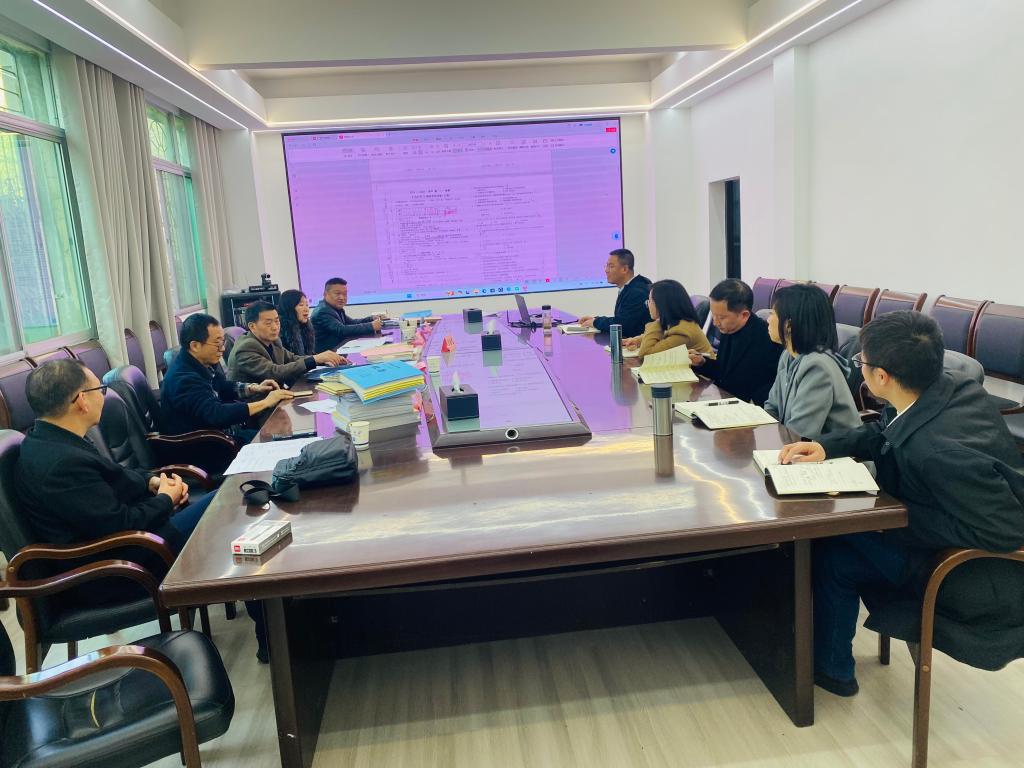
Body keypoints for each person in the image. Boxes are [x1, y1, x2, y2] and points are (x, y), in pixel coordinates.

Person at [779, 311, 1024, 697]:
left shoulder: (940, 452)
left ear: (881, 377)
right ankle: (831, 664)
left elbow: (1004, 530)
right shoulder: (944, 386)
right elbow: (886, 431)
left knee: (832, 548)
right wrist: (826, 446)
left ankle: (830, 668)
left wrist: (893, 517)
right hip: (941, 530)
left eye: (861, 361)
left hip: (970, 576)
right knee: (835, 545)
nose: (858, 368)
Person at [13, 359, 211, 606]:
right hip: (116, 569)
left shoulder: (52, 439)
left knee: (227, 506)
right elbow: (119, 525)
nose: (103, 397)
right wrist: (165, 499)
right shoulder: (61, 464)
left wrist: (151, 482)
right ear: (82, 400)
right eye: (100, 390)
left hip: (130, 546)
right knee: (224, 507)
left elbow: (113, 475)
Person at [161, 313, 294, 440]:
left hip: (223, 434)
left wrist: (254, 388)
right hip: (206, 444)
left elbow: (221, 386)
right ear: (195, 346)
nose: (223, 349)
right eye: (217, 344)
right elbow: (216, 414)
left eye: (222, 342)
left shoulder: (200, 363)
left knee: (283, 436)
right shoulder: (184, 379)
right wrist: (265, 402)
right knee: (277, 439)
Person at [763, 283, 861, 439]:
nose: (768, 320)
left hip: (832, 452)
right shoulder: (788, 356)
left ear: (789, 324)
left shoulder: (817, 366)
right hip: (796, 445)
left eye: (772, 314)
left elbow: (801, 432)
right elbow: (772, 407)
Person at [688, 279, 782, 405]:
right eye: (713, 315)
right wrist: (702, 362)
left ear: (744, 315)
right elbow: (723, 372)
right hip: (725, 401)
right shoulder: (730, 329)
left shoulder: (767, 339)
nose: (715, 323)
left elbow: (756, 387)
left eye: (721, 317)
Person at [227, 301, 347, 386]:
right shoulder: (246, 348)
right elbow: (274, 372)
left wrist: (322, 359)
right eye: (268, 323)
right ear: (252, 326)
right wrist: (315, 359)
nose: (275, 327)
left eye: (277, 321)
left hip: (275, 396)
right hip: (257, 405)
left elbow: (292, 358)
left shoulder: (273, 340)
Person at [623, 279, 712, 360]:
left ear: (660, 305)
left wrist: (657, 322)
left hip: (701, 373)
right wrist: (637, 340)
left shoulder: (682, 332)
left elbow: (646, 354)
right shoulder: (677, 322)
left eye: (649, 301)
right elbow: (664, 337)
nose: (648, 305)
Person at [578, 249, 652, 338]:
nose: (606, 270)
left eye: (611, 266)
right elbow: (622, 318)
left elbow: (622, 325)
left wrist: (595, 322)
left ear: (624, 269)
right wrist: (595, 319)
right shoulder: (631, 287)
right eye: (606, 266)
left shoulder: (637, 292)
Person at [311, 277, 384, 353]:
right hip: (326, 356)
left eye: (345, 294)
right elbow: (342, 330)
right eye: (337, 293)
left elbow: (352, 322)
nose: (342, 297)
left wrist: (371, 319)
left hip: (338, 351)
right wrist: (371, 326)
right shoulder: (322, 311)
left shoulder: (335, 308)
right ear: (325, 294)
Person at [279, 289, 316, 357]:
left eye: (307, 305)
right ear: (289, 308)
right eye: (301, 305)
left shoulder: (306, 327)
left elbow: (310, 355)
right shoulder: (280, 330)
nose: (306, 309)